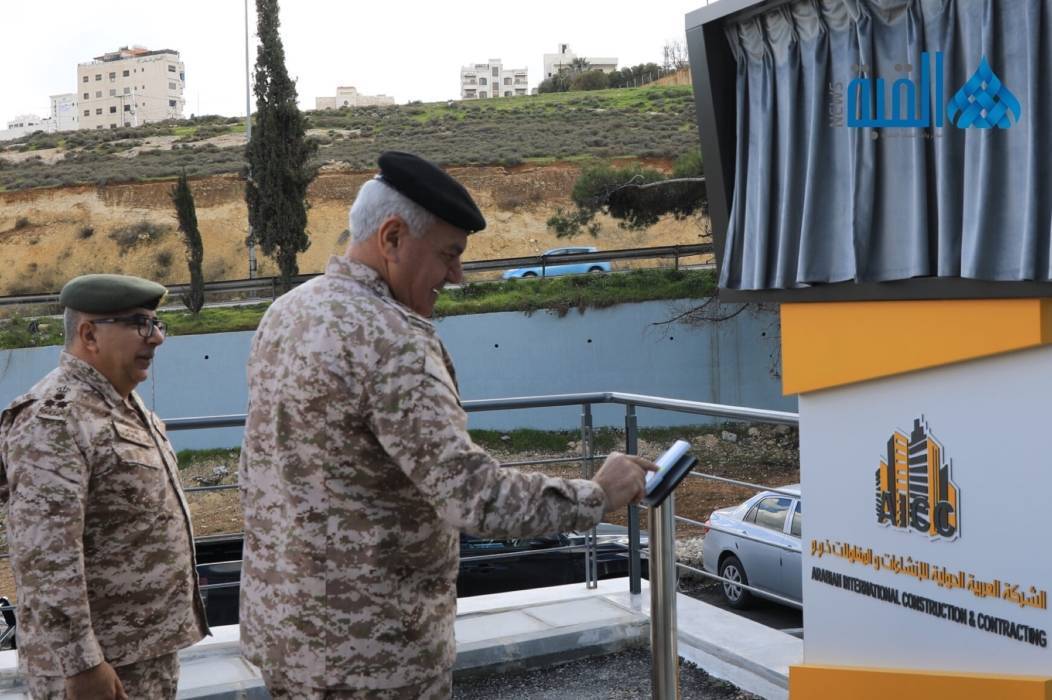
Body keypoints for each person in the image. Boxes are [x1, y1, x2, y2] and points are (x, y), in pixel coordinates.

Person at [239, 151, 657, 699]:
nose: (456, 275)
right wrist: (597, 494)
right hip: (371, 658)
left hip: (286, 638)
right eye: (448, 254)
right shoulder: (392, 341)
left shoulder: (287, 312)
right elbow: (475, 497)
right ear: (392, 238)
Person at [0, 274, 209, 699]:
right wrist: (82, 664)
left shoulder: (118, 401)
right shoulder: (55, 418)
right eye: (139, 324)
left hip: (141, 651)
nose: (157, 338)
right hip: (97, 666)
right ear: (89, 335)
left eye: (157, 323)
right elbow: (46, 555)